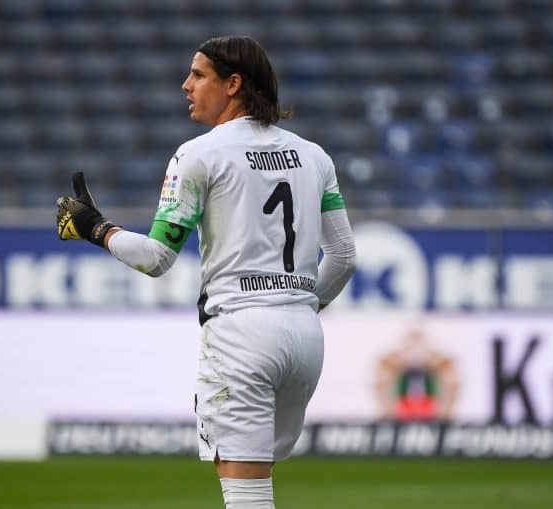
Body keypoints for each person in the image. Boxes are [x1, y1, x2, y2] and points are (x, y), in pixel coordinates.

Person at [56, 35, 357, 509]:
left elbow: (156, 257)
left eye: (198, 75)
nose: (186, 85)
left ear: (233, 84)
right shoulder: (314, 156)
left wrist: (98, 229)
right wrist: (298, 303)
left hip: (242, 335)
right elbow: (343, 256)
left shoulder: (199, 154)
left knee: (246, 495)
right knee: (257, 483)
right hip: (304, 336)